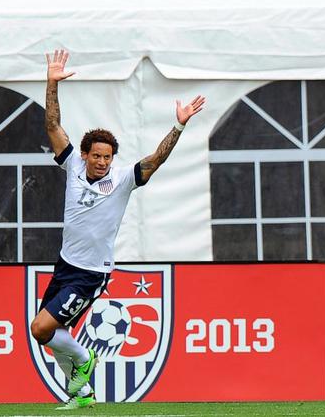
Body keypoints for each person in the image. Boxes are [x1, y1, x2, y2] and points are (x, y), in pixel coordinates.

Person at [28, 49, 205, 410]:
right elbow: (52, 126)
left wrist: (179, 125)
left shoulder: (123, 179)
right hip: (65, 265)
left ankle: (86, 359)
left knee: (40, 328)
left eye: (107, 157)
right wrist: (51, 83)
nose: (101, 162)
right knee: (50, 332)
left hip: (91, 273)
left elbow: (156, 159)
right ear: (86, 154)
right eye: (96, 155)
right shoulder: (73, 165)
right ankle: (82, 394)